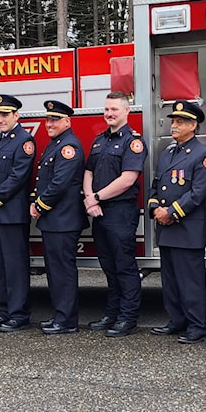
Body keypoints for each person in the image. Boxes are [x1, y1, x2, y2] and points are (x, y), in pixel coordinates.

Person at [147, 101, 206, 344]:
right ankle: (176, 320)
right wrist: (155, 207)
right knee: (171, 279)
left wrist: (171, 212)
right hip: (166, 228)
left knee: (190, 281)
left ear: (193, 125)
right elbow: (156, 185)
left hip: (186, 228)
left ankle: (198, 326)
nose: (173, 126)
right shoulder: (167, 153)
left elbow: (198, 193)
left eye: (179, 122)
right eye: (172, 121)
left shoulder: (204, 154)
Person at [82, 91, 148, 337]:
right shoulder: (99, 140)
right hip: (98, 211)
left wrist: (96, 197)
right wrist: (90, 200)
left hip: (121, 212)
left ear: (126, 111)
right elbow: (88, 172)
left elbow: (127, 179)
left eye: (114, 110)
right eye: (107, 109)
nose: (109, 113)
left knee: (124, 266)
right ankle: (112, 313)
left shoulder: (133, 141)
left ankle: (127, 318)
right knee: (108, 266)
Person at [0, 94, 36, 332]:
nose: (0, 119)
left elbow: (18, 177)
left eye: (4, 115)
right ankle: (4, 311)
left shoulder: (24, 140)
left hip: (12, 213)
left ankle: (19, 314)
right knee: (1, 266)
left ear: (16, 115)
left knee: (15, 266)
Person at [31, 100, 88, 335]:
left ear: (67, 121)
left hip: (62, 220)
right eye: (48, 120)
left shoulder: (68, 146)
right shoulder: (57, 144)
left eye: (55, 120)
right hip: (56, 221)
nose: (50, 124)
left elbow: (59, 184)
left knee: (62, 271)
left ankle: (66, 321)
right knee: (55, 270)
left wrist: (39, 205)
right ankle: (60, 316)